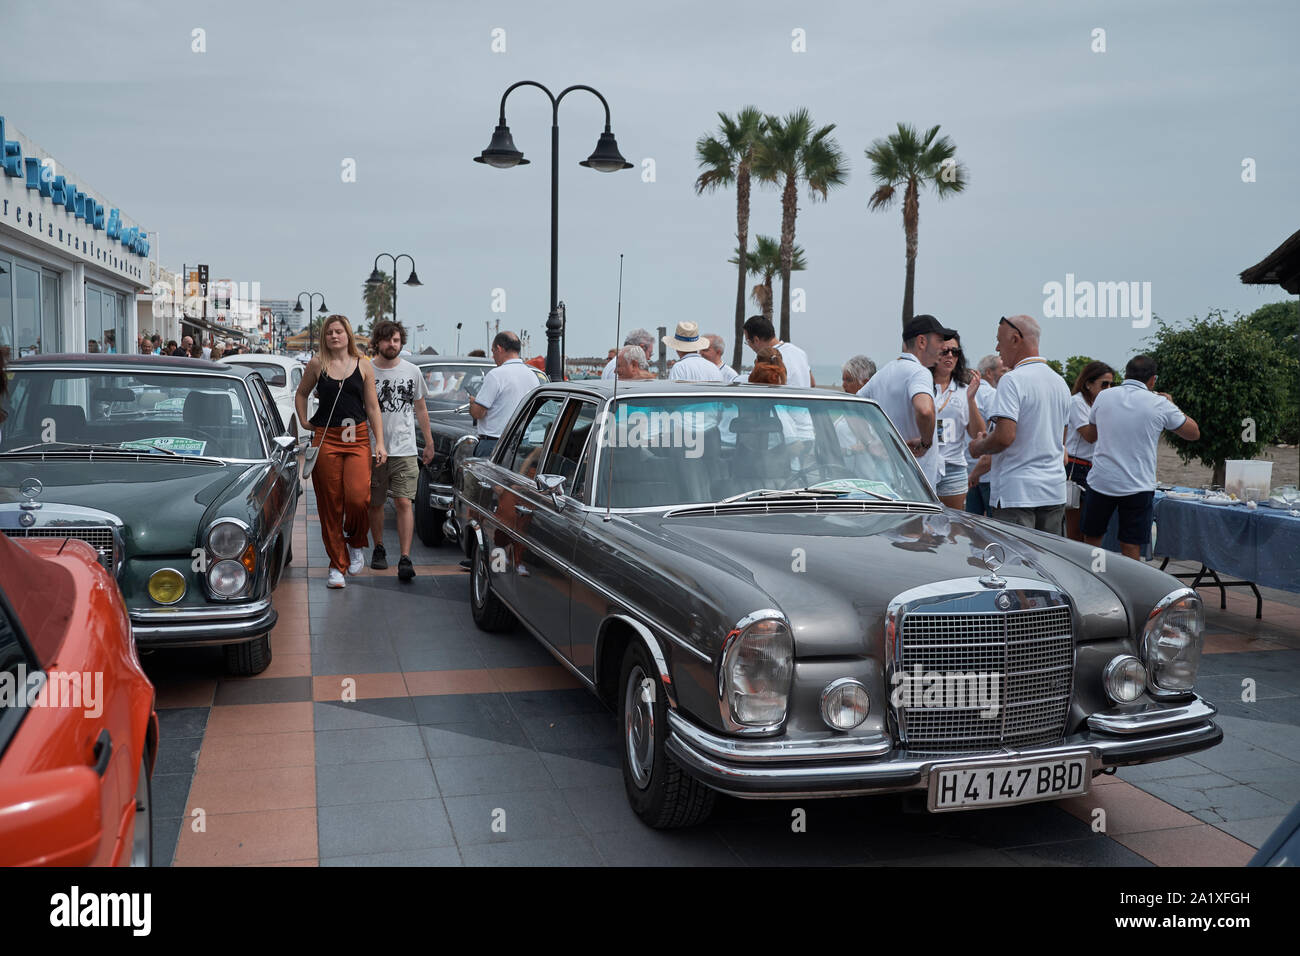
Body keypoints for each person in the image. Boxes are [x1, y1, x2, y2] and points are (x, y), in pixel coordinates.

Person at [295, 315, 388, 589]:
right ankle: (337, 565)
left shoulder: (364, 365)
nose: (334, 336)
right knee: (330, 504)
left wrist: (380, 442)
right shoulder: (316, 364)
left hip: (357, 437)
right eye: (329, 332)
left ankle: (356, 542)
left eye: (339, 332)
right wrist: (303, 420)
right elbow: (301, 394)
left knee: (359, 497)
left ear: (348, 335)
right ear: (325, 337)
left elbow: (372, 407)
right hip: (326, 437)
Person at [1080, 354, 1199, 560]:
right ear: (1153, 380)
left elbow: (1092, 433)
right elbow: (1193, 433)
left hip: (1102, 479)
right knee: (1131, 543)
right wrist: (1172, 404)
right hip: (1137, 484)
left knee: (1092, 537)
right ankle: (1132, 589)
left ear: (1126, 374)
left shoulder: (1104, 396)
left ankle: (1088, 581)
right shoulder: (1159, 404)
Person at [968, 315, 1071, 533]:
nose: (997, 347)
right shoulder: (1059, 383)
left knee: (1017, 565)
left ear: (1015, 339)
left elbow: (1005, 437)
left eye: (999, 340)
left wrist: (978, 447)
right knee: (1048, 563)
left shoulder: (1012, 380)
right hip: (1053, 492)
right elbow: (1062, 444)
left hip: (1018, 495)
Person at [366, 320, 436, 582]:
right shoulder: (367, 371)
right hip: (374, 449)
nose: (391, 344)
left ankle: (405, 557)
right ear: (377, 342)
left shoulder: (412, 371)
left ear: (401, 342)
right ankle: (379, 548)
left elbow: (421, 409)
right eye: (387, 340)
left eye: (396, 340)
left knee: (404, 501)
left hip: (405, 448)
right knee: (375, 503)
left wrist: (428, 442)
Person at [861, 314, 952, 489]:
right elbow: (924, 410)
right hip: (916, 485)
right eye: (940, 341)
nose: (944, 347)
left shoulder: (883, 373)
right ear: (922, 342)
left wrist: (869, 443)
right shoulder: (919, 372)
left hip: (887, 480)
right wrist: (926, 443)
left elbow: (852, 408)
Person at [931, 333, 985, 509]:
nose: (950, 356)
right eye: (944, 351)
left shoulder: (963, 389)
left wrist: (970, 400)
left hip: (953, 467)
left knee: (952, 529)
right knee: (920, 526)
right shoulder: (920, 385)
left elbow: (978, 433)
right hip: (923, 465)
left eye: (955, 352)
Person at [1064, 361, 1116, 540]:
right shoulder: (1077, 402)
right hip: (1076, 467)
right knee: (1076, 530)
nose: (1108, 388)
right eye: (1104, 384)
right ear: (1088, 383)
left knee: (1091, 527)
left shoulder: (1100, 404)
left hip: (1095, 467)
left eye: (1111, 384)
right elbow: (1089, 435)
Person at [469, 331, 540, 457]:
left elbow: (478, 413)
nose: (493, 356)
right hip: (521, 443)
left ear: (499, 348)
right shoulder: (532, 376)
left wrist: (473, 403)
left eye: (493, 351)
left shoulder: (496, 375)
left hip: (493, 443)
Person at [965, 353, 1005, 515]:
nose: (1005, 375)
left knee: (969, 528)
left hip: (967, 469)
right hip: (986, 474)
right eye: (1002, 371)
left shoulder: (965, 391)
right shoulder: (993, 395)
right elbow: (991, 435)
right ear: (989, 372)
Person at [743, 315, 814, 387]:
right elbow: (812, 383)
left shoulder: (767, 359)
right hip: (804, 397)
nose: (748, 345)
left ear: (756, 340)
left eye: (747, 341)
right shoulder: (800, 353)